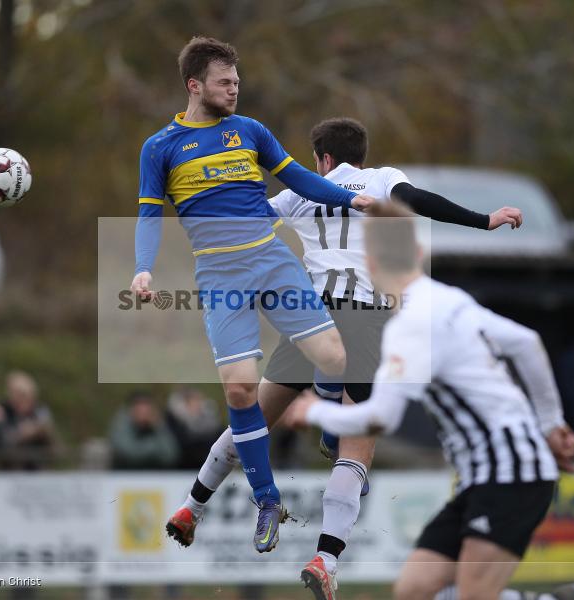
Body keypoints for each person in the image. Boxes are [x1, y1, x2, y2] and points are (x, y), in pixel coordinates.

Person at [164, 116, 523, 599]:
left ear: (323, 159)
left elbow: (244, 226)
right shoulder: (381, 179)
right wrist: (485, 219)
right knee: (358, 449)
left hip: (308, 319)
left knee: (251, 421)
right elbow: (420, 203)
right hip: (366, 320)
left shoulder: (301, 191)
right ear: (360, 154)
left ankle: (192, 506)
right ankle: (326, 557)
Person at [131, 36, 379, 552]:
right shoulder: (161, 147)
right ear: (194, 85)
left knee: (334, 356)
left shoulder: (250, 132)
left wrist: (352, 198)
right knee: (241, 390)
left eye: (237, 81)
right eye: (225, 82)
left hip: (271, 261)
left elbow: (302, 179)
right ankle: (267, 500)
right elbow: (150, 214)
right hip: (220, 278)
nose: (234, 89)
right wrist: (142, 271)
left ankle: (331, 431)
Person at [283, 202, 574, 600]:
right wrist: (551, 423)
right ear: (419, 253)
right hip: (484, 476)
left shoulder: (407, 327)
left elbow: (381, 419)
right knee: (413, 591)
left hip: (512, 473)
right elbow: (527, 343)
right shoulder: (448, 297)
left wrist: (314, 411)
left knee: (474, 596)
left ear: (369, 265)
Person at [0, 371, 57, 470]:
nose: (22, 400)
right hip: (8, 471)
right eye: (18, 394)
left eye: (25, 395)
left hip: (37, 469)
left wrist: (38, 431)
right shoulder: (1, 411)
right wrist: (19, 434)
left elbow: (53, 445)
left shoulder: (40, 411)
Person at [110, 390, 181, 470]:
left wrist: (158, 427)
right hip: (124, 476)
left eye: (146, 409)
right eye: (139, 409)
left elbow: (171, 455)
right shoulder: (121, 423)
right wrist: (154, 447)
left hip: (156, 476)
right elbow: (129, 454)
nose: (143, 413)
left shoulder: (158, 424)